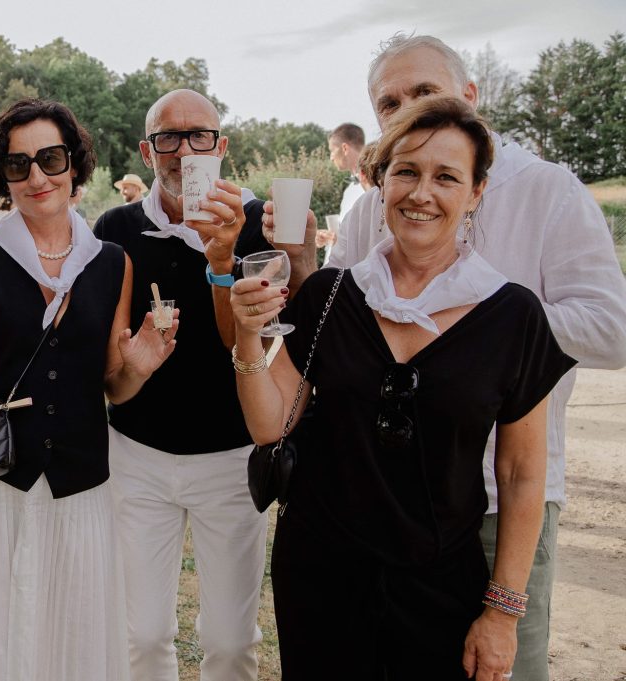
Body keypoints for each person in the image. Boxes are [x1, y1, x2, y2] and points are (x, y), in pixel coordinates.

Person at [236, 96, 576, 679]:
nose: (422, 193)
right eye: (407, 172)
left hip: (441, 584)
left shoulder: (513, 316)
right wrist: (247, 339)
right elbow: (272, 425)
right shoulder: (330, 296)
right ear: (380, 184)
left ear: (475, 193)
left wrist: (502, 613)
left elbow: (522, 475)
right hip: (320, 575)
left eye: (446, 176)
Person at [326, 34, 626, 681]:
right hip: (381, 502)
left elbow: (612, 326)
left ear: (469, 97)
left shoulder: (547, 190)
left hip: (499, 496)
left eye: (425, 93)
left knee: (496, 669)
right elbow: (328, 330)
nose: (408, 109)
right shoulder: (374, 205)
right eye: (389, 102)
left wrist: (482, 332)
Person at [0, 98, 177, 681]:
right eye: (17, 165)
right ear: (2, 178)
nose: (36, 177)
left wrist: (140, 366)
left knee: (71, 643)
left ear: (74, 165)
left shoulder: (112, 263)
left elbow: (113, 388)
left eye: (50, 159)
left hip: (79, 490)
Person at [93, 89, 301, 681]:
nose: (184, 151)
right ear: (146, 149)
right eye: (168, 137)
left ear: (222, 146)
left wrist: (223, 256)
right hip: (137, 455)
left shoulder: (260, 225)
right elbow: (112, 367)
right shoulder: (116, 228)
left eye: (199, 136)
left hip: (232, 456)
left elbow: (245, 346)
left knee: (232, 642)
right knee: (142, 634)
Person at [318, 123, 366, 259]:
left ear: (344, 148)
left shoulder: (375, 185)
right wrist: (329, 238)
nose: (331, 157)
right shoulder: (349, 191)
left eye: (332, 150)